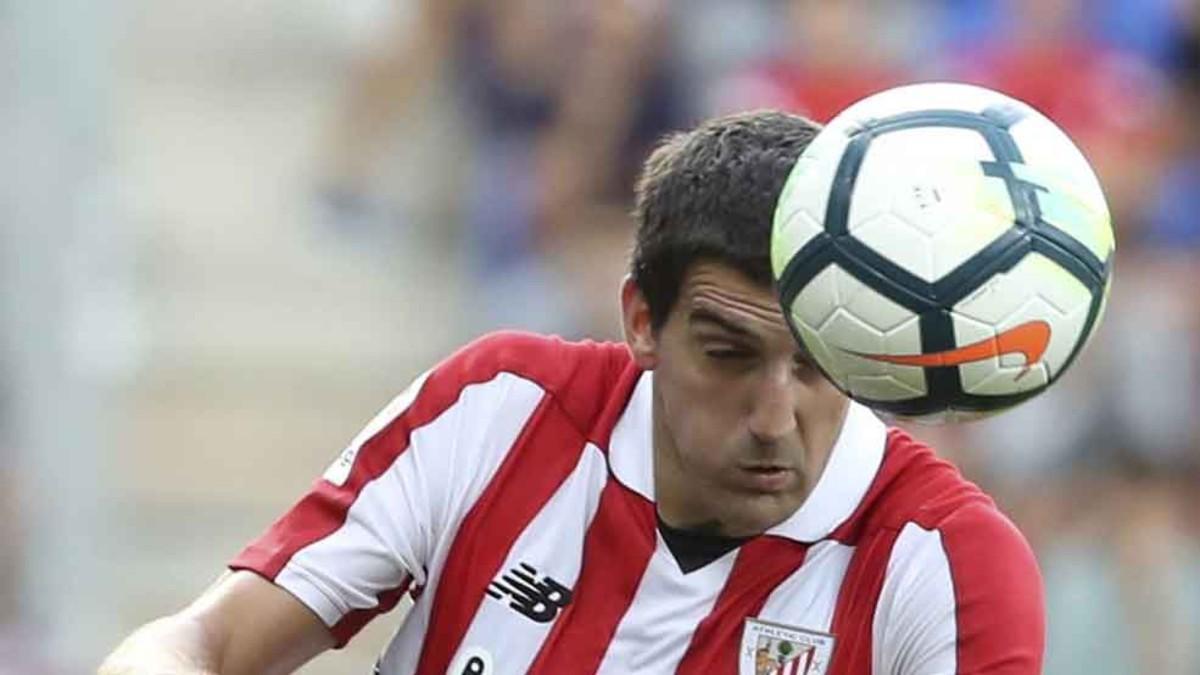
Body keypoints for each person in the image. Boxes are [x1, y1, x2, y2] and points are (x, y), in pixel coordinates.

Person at [99, 110, 1044, 674]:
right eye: (728, 354)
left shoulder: (945, 562)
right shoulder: (502, 407)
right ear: (641, 320)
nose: (772, 417)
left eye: (815, 364)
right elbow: (203, 645)